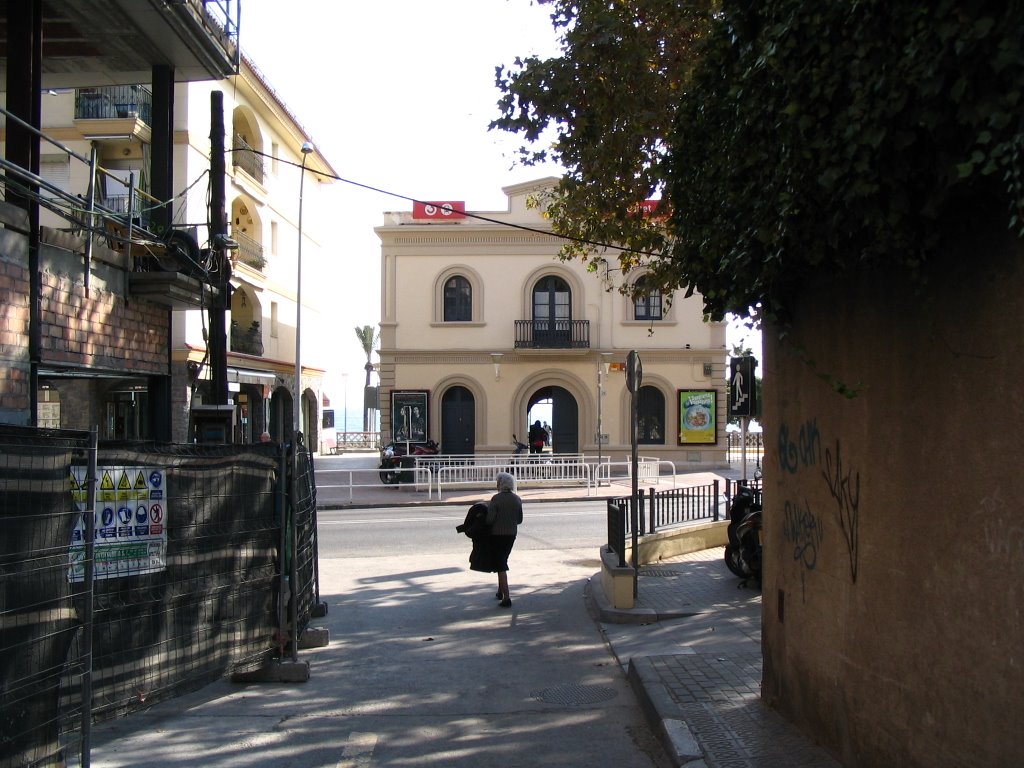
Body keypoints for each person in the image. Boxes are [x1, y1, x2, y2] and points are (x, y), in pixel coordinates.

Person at [485, 471, 522, 608]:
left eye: (497, 482)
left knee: (501, 564)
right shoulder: (517, 499)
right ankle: (500, 591)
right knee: (502, 560)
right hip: (511, 535)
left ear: (501, 484)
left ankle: (506, 597)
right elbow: (519, 520)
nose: (496, 484)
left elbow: (489, 520)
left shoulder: (496, 499)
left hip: (497, 535)